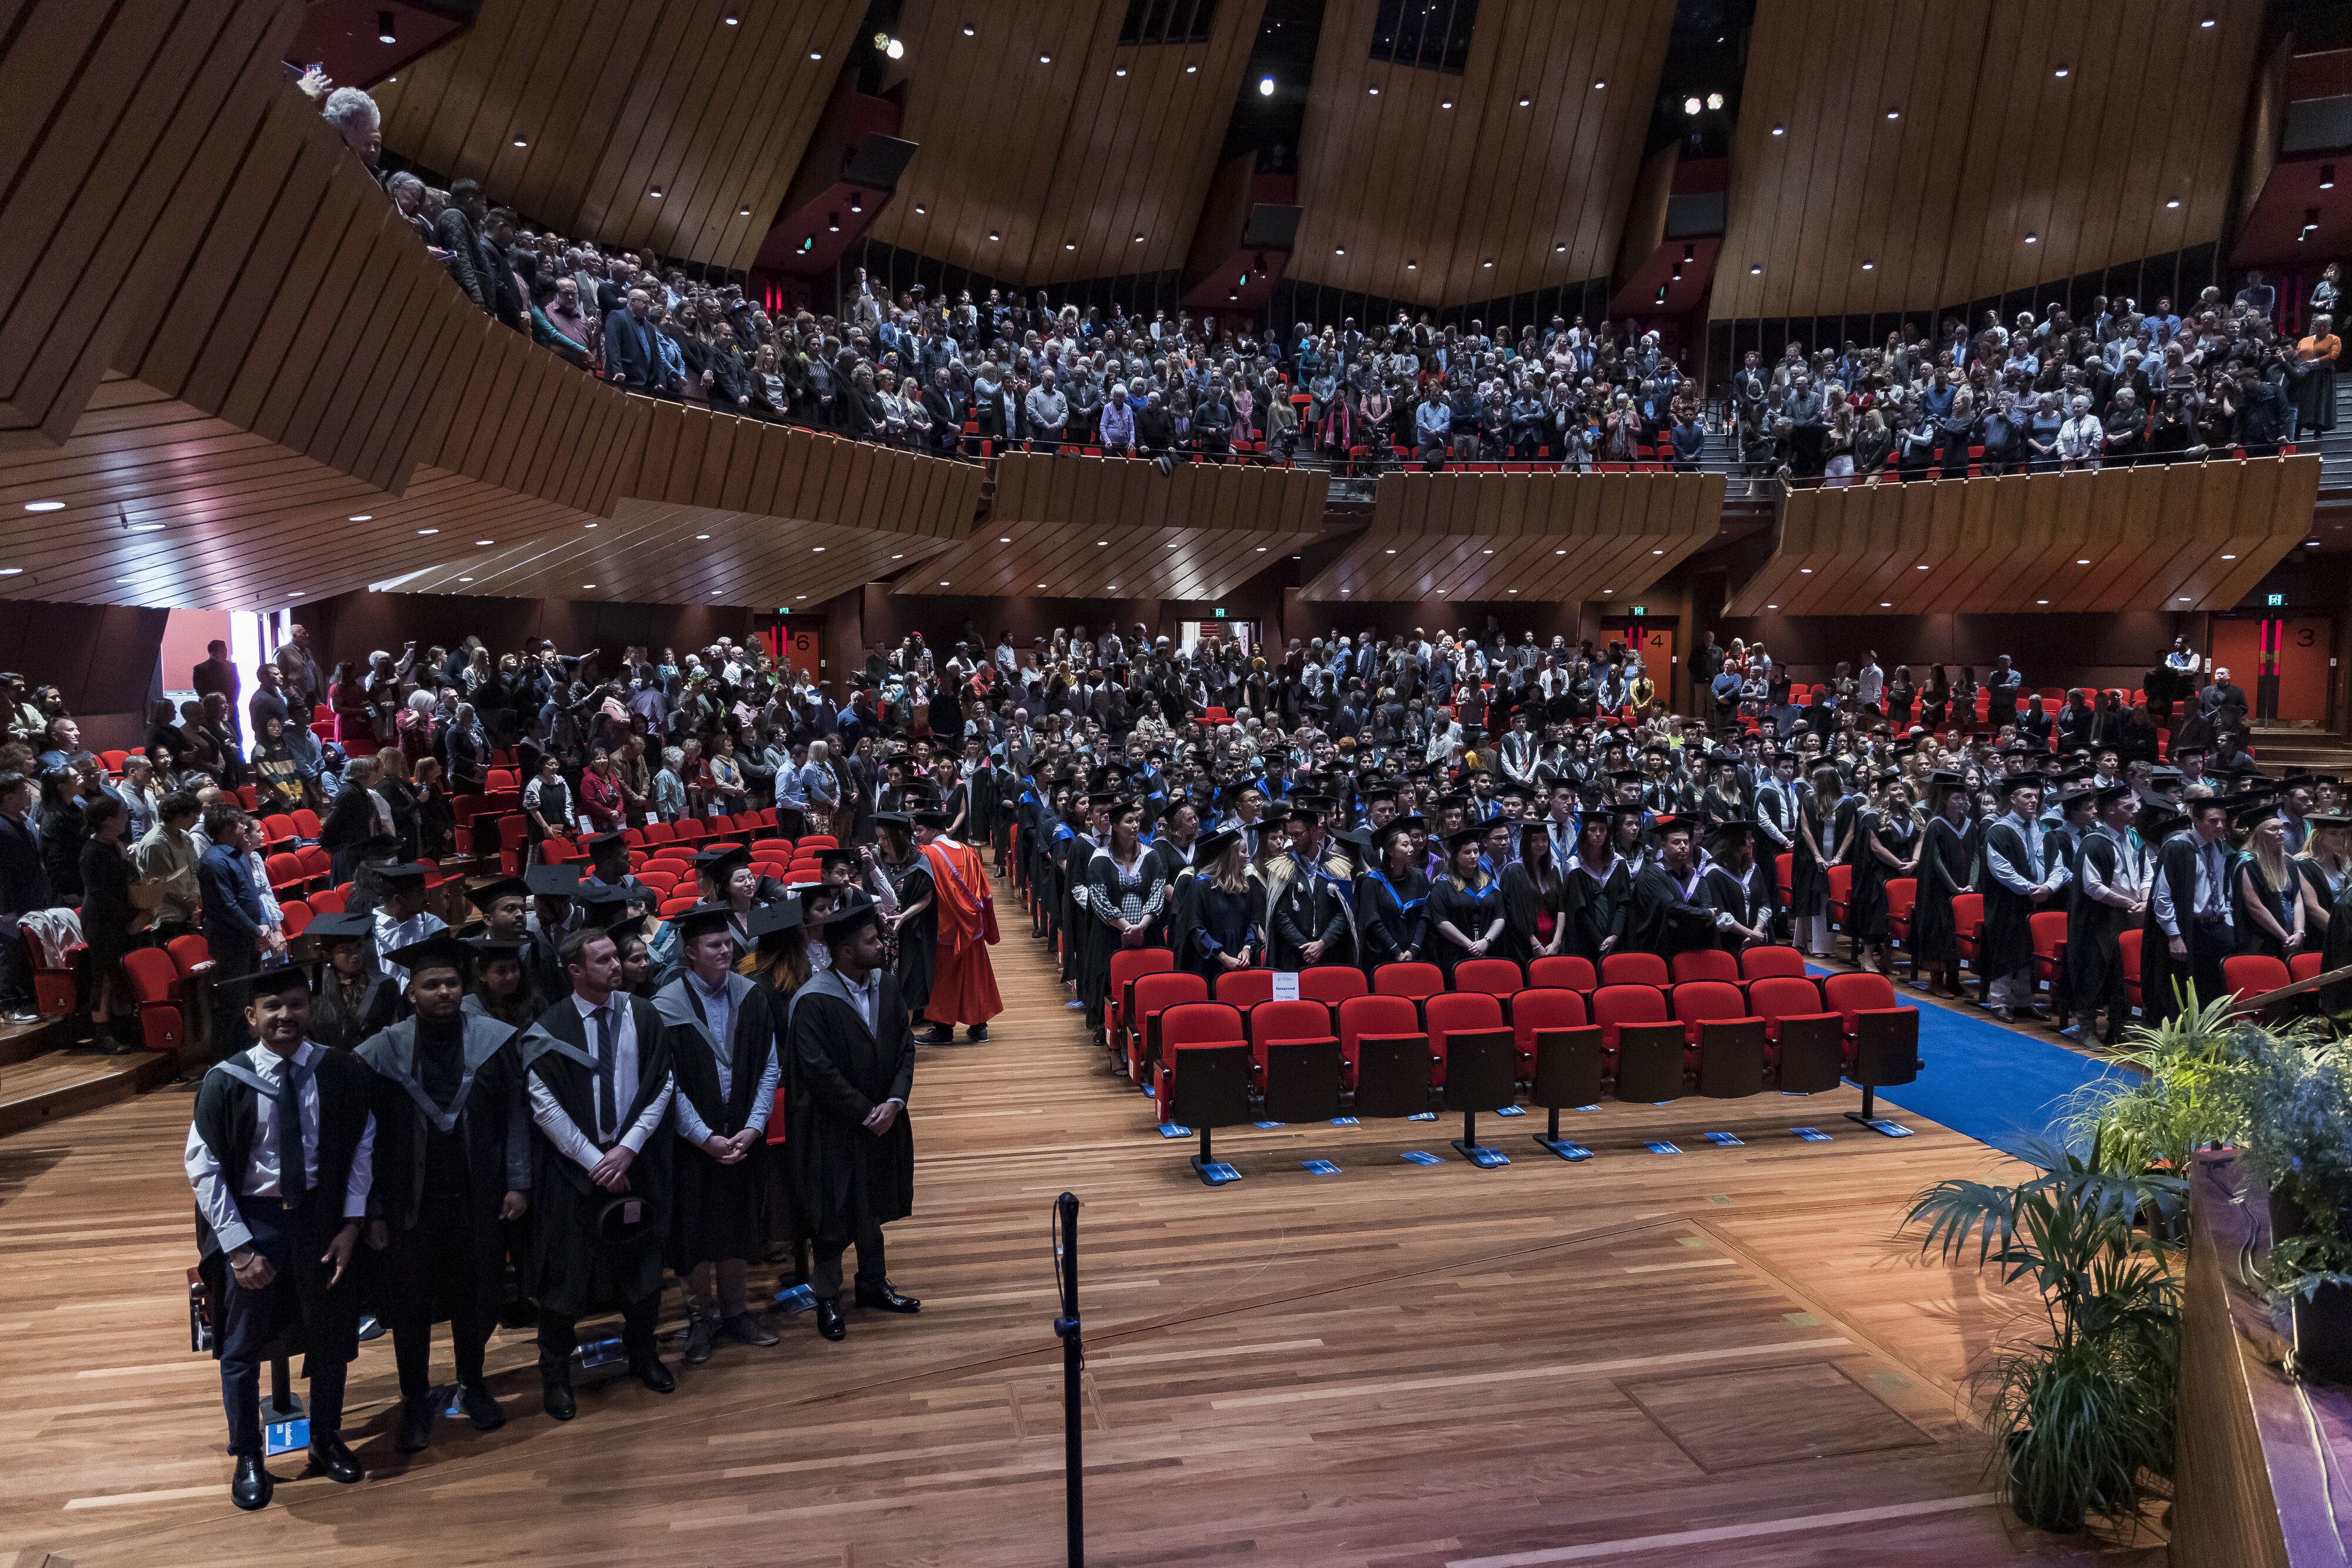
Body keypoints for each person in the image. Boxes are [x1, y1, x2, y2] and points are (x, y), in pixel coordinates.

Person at [184, 966, 375, 1510]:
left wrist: (351, 1224)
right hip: (256, 1220)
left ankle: (325, 1439)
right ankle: (248, 1453)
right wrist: (238, 1248)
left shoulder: (337, 1071)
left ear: (309, 1009)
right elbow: (203, 1168)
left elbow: (363, 1146)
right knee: (242, 1349)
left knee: (332, 1336)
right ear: (252, 1017)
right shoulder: (226, 1080)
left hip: (321, 1219)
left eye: (295, 1005)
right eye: (273, 1007)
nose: (285, 1016)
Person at [356, 933, 531, 1455]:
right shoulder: (381, 1053)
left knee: (476, 1296)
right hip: (411, 1202)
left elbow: (515, 1116)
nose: (443, 992)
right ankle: (415, 1397)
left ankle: (472, 1383)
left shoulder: (494, 1042)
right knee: (410, 1306)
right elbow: (365, 1140)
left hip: (478, 1195)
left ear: (464, 986)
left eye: (451, 982)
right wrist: (374, 1210)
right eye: (431, 984)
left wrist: (519, 1181)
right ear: (411, 993)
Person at [517, 926, 677, 1420]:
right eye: (604, 960)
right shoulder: (550, 1027)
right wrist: (595, 1161)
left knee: (642, 1270)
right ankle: (556, 1374)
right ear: (576, 972)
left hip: (636, 1163)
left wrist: (627, 1150)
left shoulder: (643, 1015)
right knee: (565, 1280)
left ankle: (644, 1355)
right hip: (574, 1176)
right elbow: (543, 1106)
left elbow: (662, 1084)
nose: (617, 966)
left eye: (616, 957)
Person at [781, 894, 919, 1342]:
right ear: (844, 952)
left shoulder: (886, 984)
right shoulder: (812, 1001)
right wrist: (866, 1112)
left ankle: (873, 1285)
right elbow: (817, 1071)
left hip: (884, 1119)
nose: (880, 944)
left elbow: (904, 1046)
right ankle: (826, 1297)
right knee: (832, 1214)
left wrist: (895, 1102)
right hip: (832, 1128)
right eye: (870, 940)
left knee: (873, 1206)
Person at [655, 905, 782, 1366]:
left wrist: (753, 1126)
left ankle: (736, 1312)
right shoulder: (664, 1007)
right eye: (714, 945)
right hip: (692, 1145)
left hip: (743, 1135)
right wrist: (703, 1136)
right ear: (690, 952)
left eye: (728, 942)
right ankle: (699, 1320)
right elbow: (664, 1085)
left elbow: (770, 1067)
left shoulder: (751, 996)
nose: (726, 949)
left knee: (737, 1222)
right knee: (694, 1232)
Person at [2063, 786, 2147, 1044]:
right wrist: (2127, 902)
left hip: (2128, 915)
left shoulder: (2134, 839)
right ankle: (2086, 1028)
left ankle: (2117, 1028)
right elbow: (2092, 886)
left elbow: (2147, 873)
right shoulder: (2094, 841)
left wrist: (2144, 900)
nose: (2135, 810)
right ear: (2110, 810)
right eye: (2128, 807)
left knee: (2121, 973)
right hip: (2098, 919)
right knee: (2094, 972)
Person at [914, 806, 1002, 1043]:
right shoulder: (967, 851)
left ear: (933, 830)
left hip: (945, 926)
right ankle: (979, 1027)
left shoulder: (927, 854)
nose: (917, 835)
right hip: (972, 923)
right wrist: (988, 927)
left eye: (920, 830)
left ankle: (943, 1031)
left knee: (944, 977)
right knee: (974, 974)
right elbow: (986, 892)